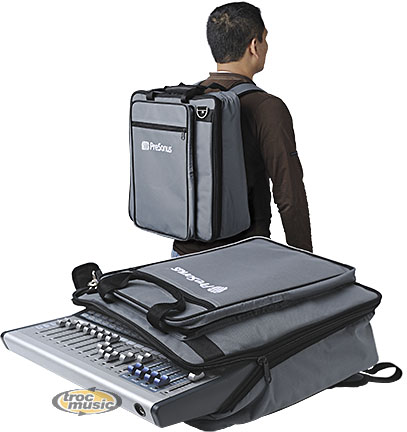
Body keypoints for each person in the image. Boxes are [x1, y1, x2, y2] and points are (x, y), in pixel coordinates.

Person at [172, 1, 312, 258]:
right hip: (241, 258)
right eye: (265, 39)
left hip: (180, 255)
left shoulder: (188, 101)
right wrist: (307, 263)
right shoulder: (266, 107)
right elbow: (289, 195)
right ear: (254, 46)